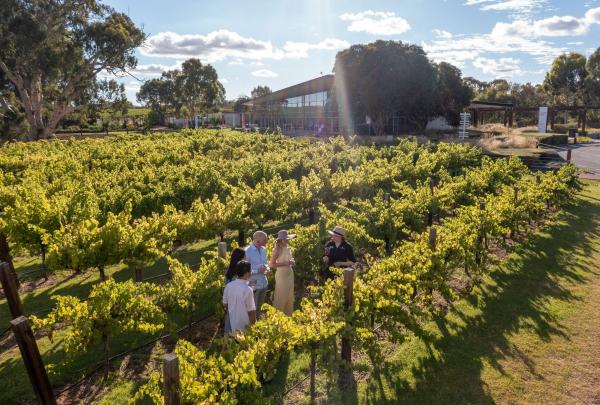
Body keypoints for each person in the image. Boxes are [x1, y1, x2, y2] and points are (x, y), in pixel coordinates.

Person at [222, 260, 256, 333]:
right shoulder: (248, 290)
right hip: (246, 327)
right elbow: (251, 312)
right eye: (250, 270)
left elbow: (225, 304)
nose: (251, 272)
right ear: (247, 274)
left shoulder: (228, 286)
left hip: (233, 324)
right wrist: (254, 328)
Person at [269, 230, 296, 316]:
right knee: (281, 296)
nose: (287, 240)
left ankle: (288, 316)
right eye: (285, 239)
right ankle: (278, 317)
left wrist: (292, 261)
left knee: (289, 295)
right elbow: (271, 264)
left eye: (287, 238)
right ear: (280, 240)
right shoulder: (277, 250)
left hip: (289, 273)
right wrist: (285, 263)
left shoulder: (288, 247)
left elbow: (290, 259)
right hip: (281, 275)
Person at [245, 231, 269, 320]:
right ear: (258, 241)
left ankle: (257, 325)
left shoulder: (263, 249)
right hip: (254, 286)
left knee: (259, 307)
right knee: (252, 309)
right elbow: (244, 271)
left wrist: (267, 268)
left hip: (264, 283)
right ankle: (251, 328)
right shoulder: (247, 251)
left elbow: (265, 263)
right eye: (265, 241)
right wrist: (257, 270)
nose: (266, 243)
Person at [224, 247, 246, 333]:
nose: (246, 258)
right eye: (245, 256)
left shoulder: (229, 270)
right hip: (238, 302)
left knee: (229, 322)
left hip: (230, 300)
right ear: (240, 258)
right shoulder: (239, 273)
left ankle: (225, 344)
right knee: (237, 324)